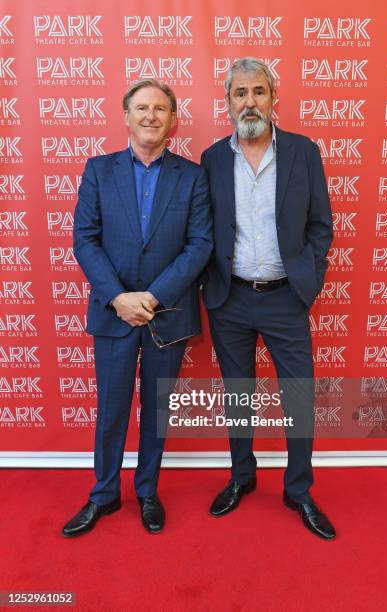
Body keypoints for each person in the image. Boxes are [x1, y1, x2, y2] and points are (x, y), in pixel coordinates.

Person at [62, 79, 212, 536]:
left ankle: (147, 491)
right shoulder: (98, 170)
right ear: (126, 116)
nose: (151, 116)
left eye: (160, 109)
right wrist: (118, 297)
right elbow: (84, 240)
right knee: (111, 409)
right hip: (113, 312)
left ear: (173, 120)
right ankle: (104, 494)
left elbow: (200, 243)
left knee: (157, 408)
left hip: (166, 313)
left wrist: (152, 296)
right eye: (142, 108)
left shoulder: (192, 175)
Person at [200, 58, 335, 540]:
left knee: (298, 397)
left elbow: (321, 225)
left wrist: (308, 281)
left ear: (273, 98)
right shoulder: (213, 159)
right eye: (240, 93)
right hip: (229, 298)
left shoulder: (303, 152)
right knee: (239, 396)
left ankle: (298, 489)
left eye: (259, 91)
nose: (250, 101)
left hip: (286, 299)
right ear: (228, 102)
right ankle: (242, 476)